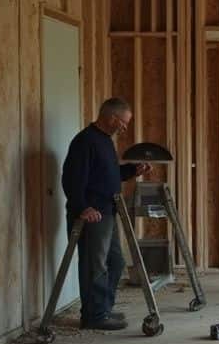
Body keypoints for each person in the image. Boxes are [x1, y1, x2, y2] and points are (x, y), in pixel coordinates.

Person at [61, 97, 151, 331]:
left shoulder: (104, 141)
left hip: (108, 212)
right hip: (92, 215)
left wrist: (132, 170)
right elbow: (71, 179)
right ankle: (94, 316)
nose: (125, 128)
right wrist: (83, 208)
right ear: (111, 118)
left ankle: (103, 309)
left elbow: (106, 176)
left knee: (115, 261)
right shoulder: (85, 141)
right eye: (123, 123)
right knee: (95, 265)